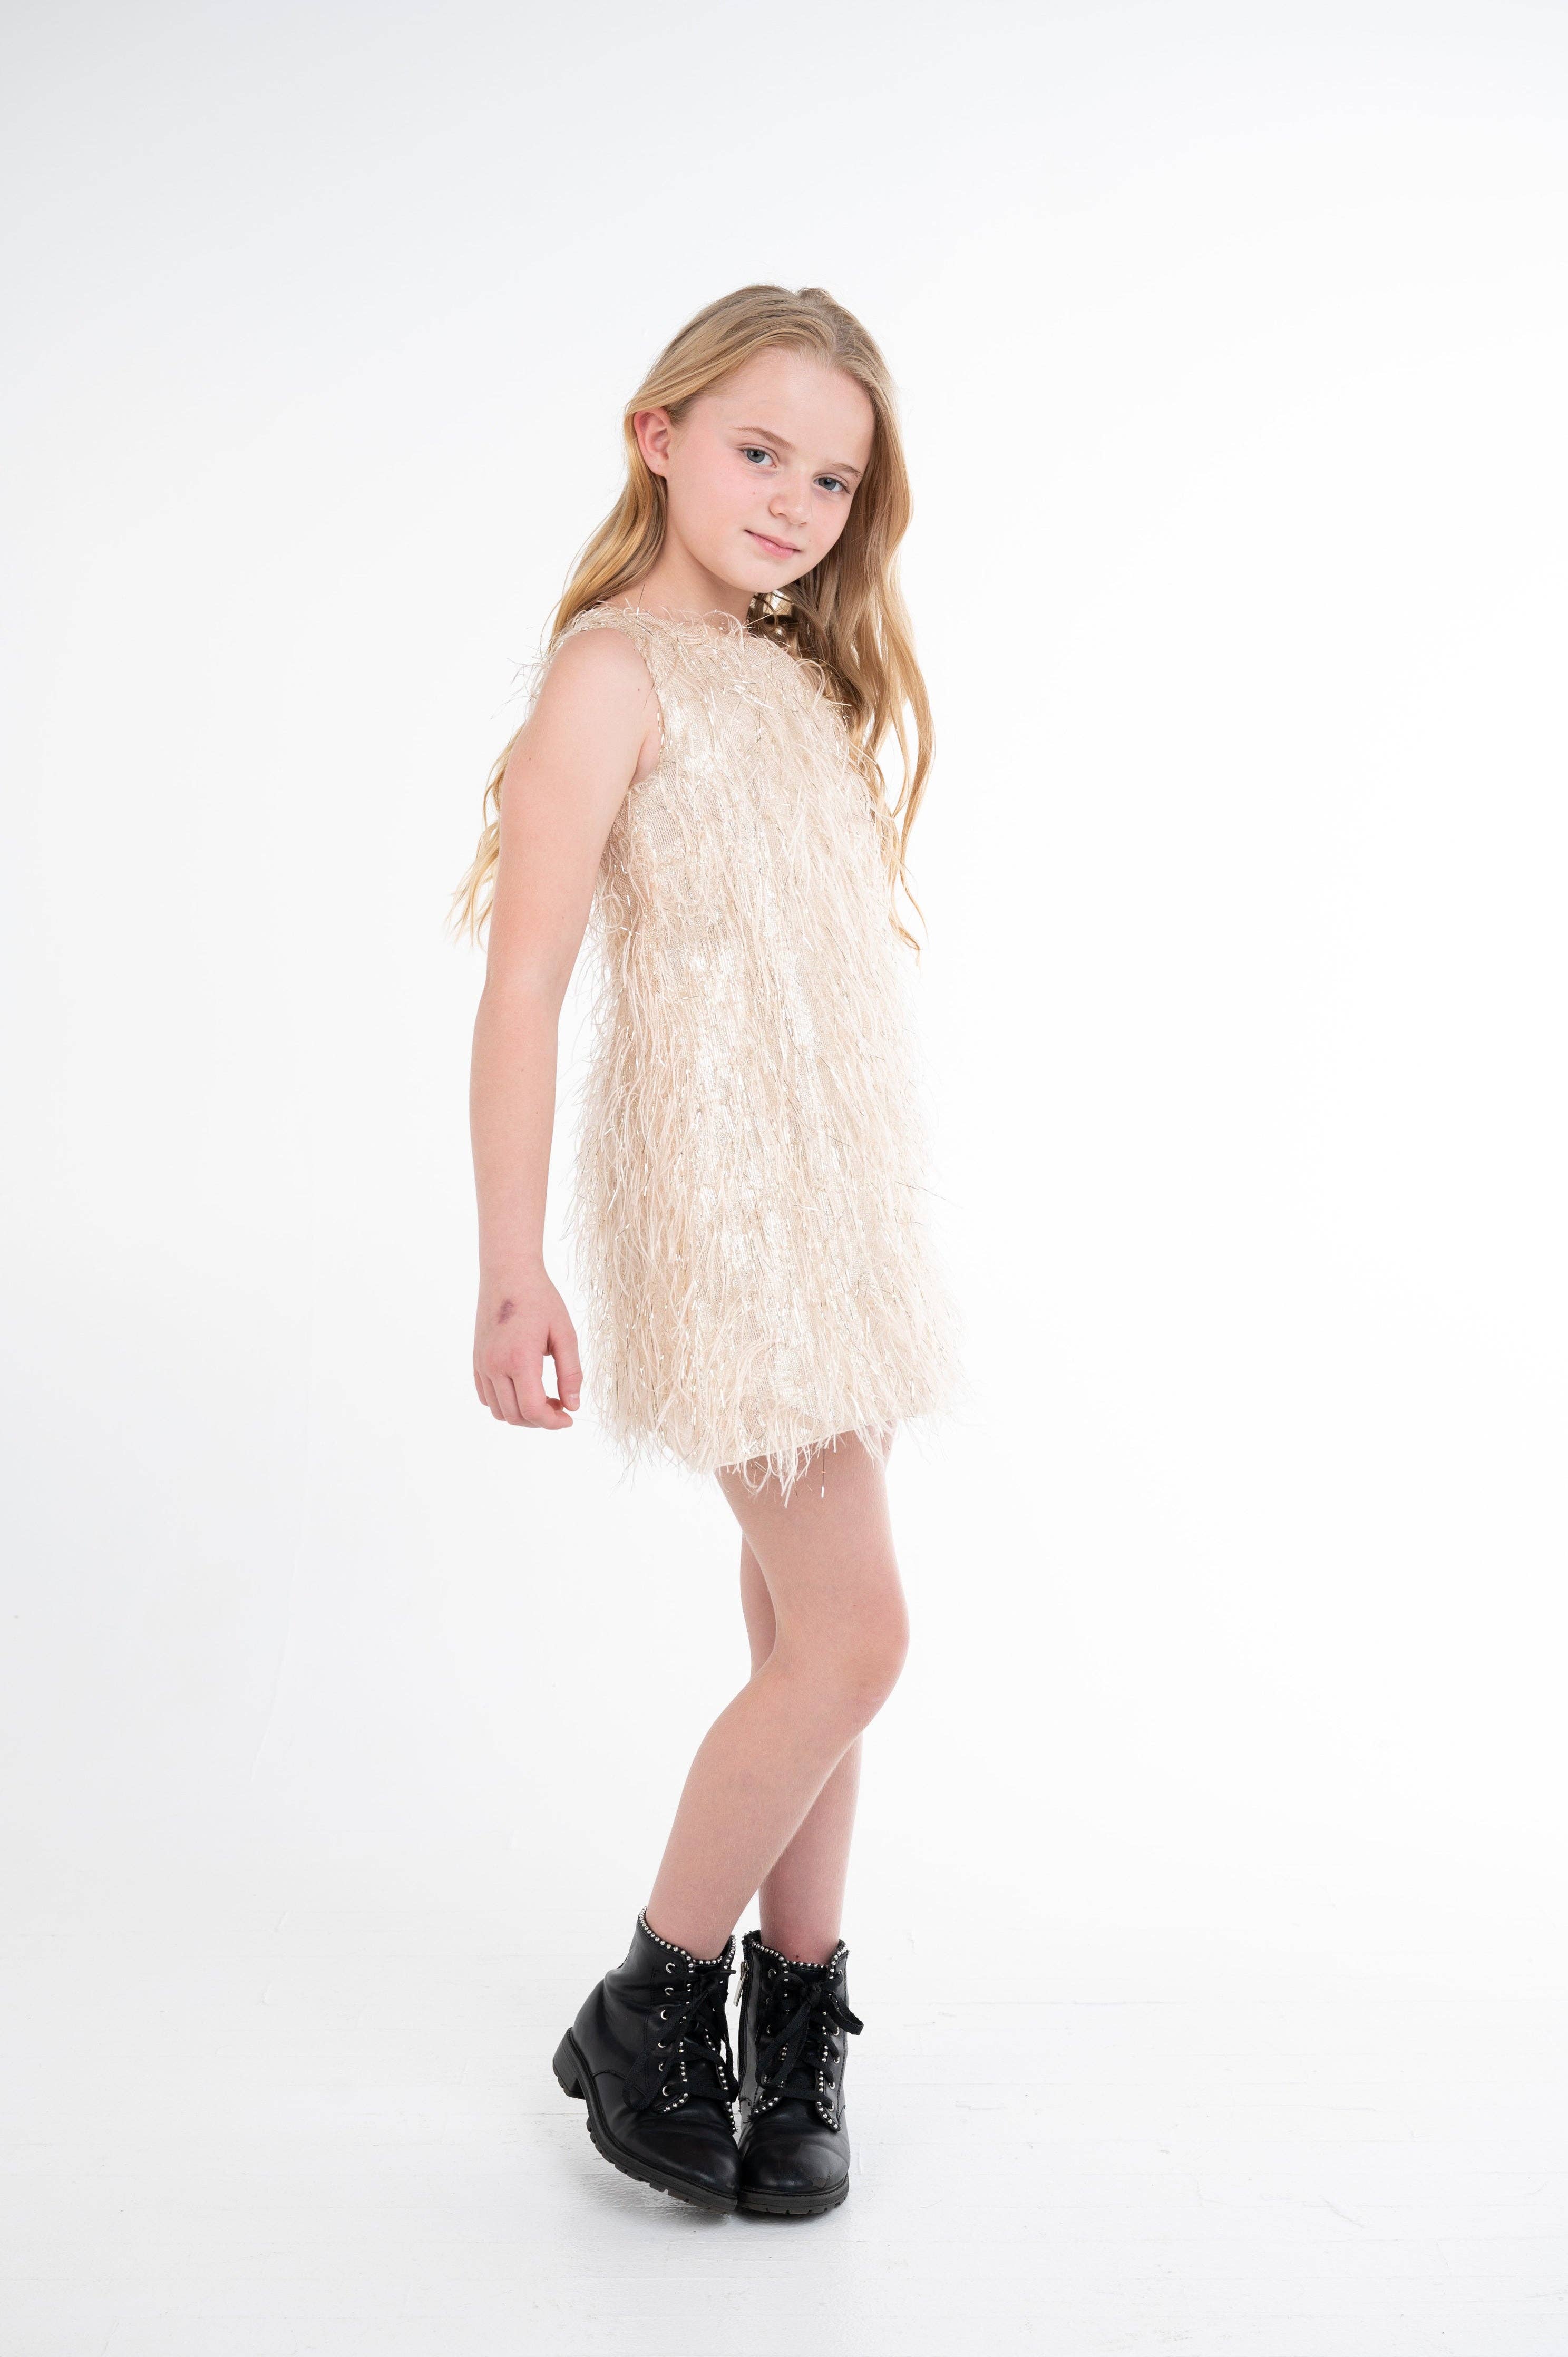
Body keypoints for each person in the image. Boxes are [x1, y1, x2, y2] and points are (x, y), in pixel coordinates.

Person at [452, 284, 965, 2218]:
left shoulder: (791, 677)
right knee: (859, 1636)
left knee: (800, 1641)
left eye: (832, 479)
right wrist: (513, 1264)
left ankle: (793, 2020)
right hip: (724, 1212)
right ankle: (650, 1994)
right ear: (658, 435)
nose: (794, 503)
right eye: (760, 451)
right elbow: (523, 985)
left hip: (836, 1206)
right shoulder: (612, 674)